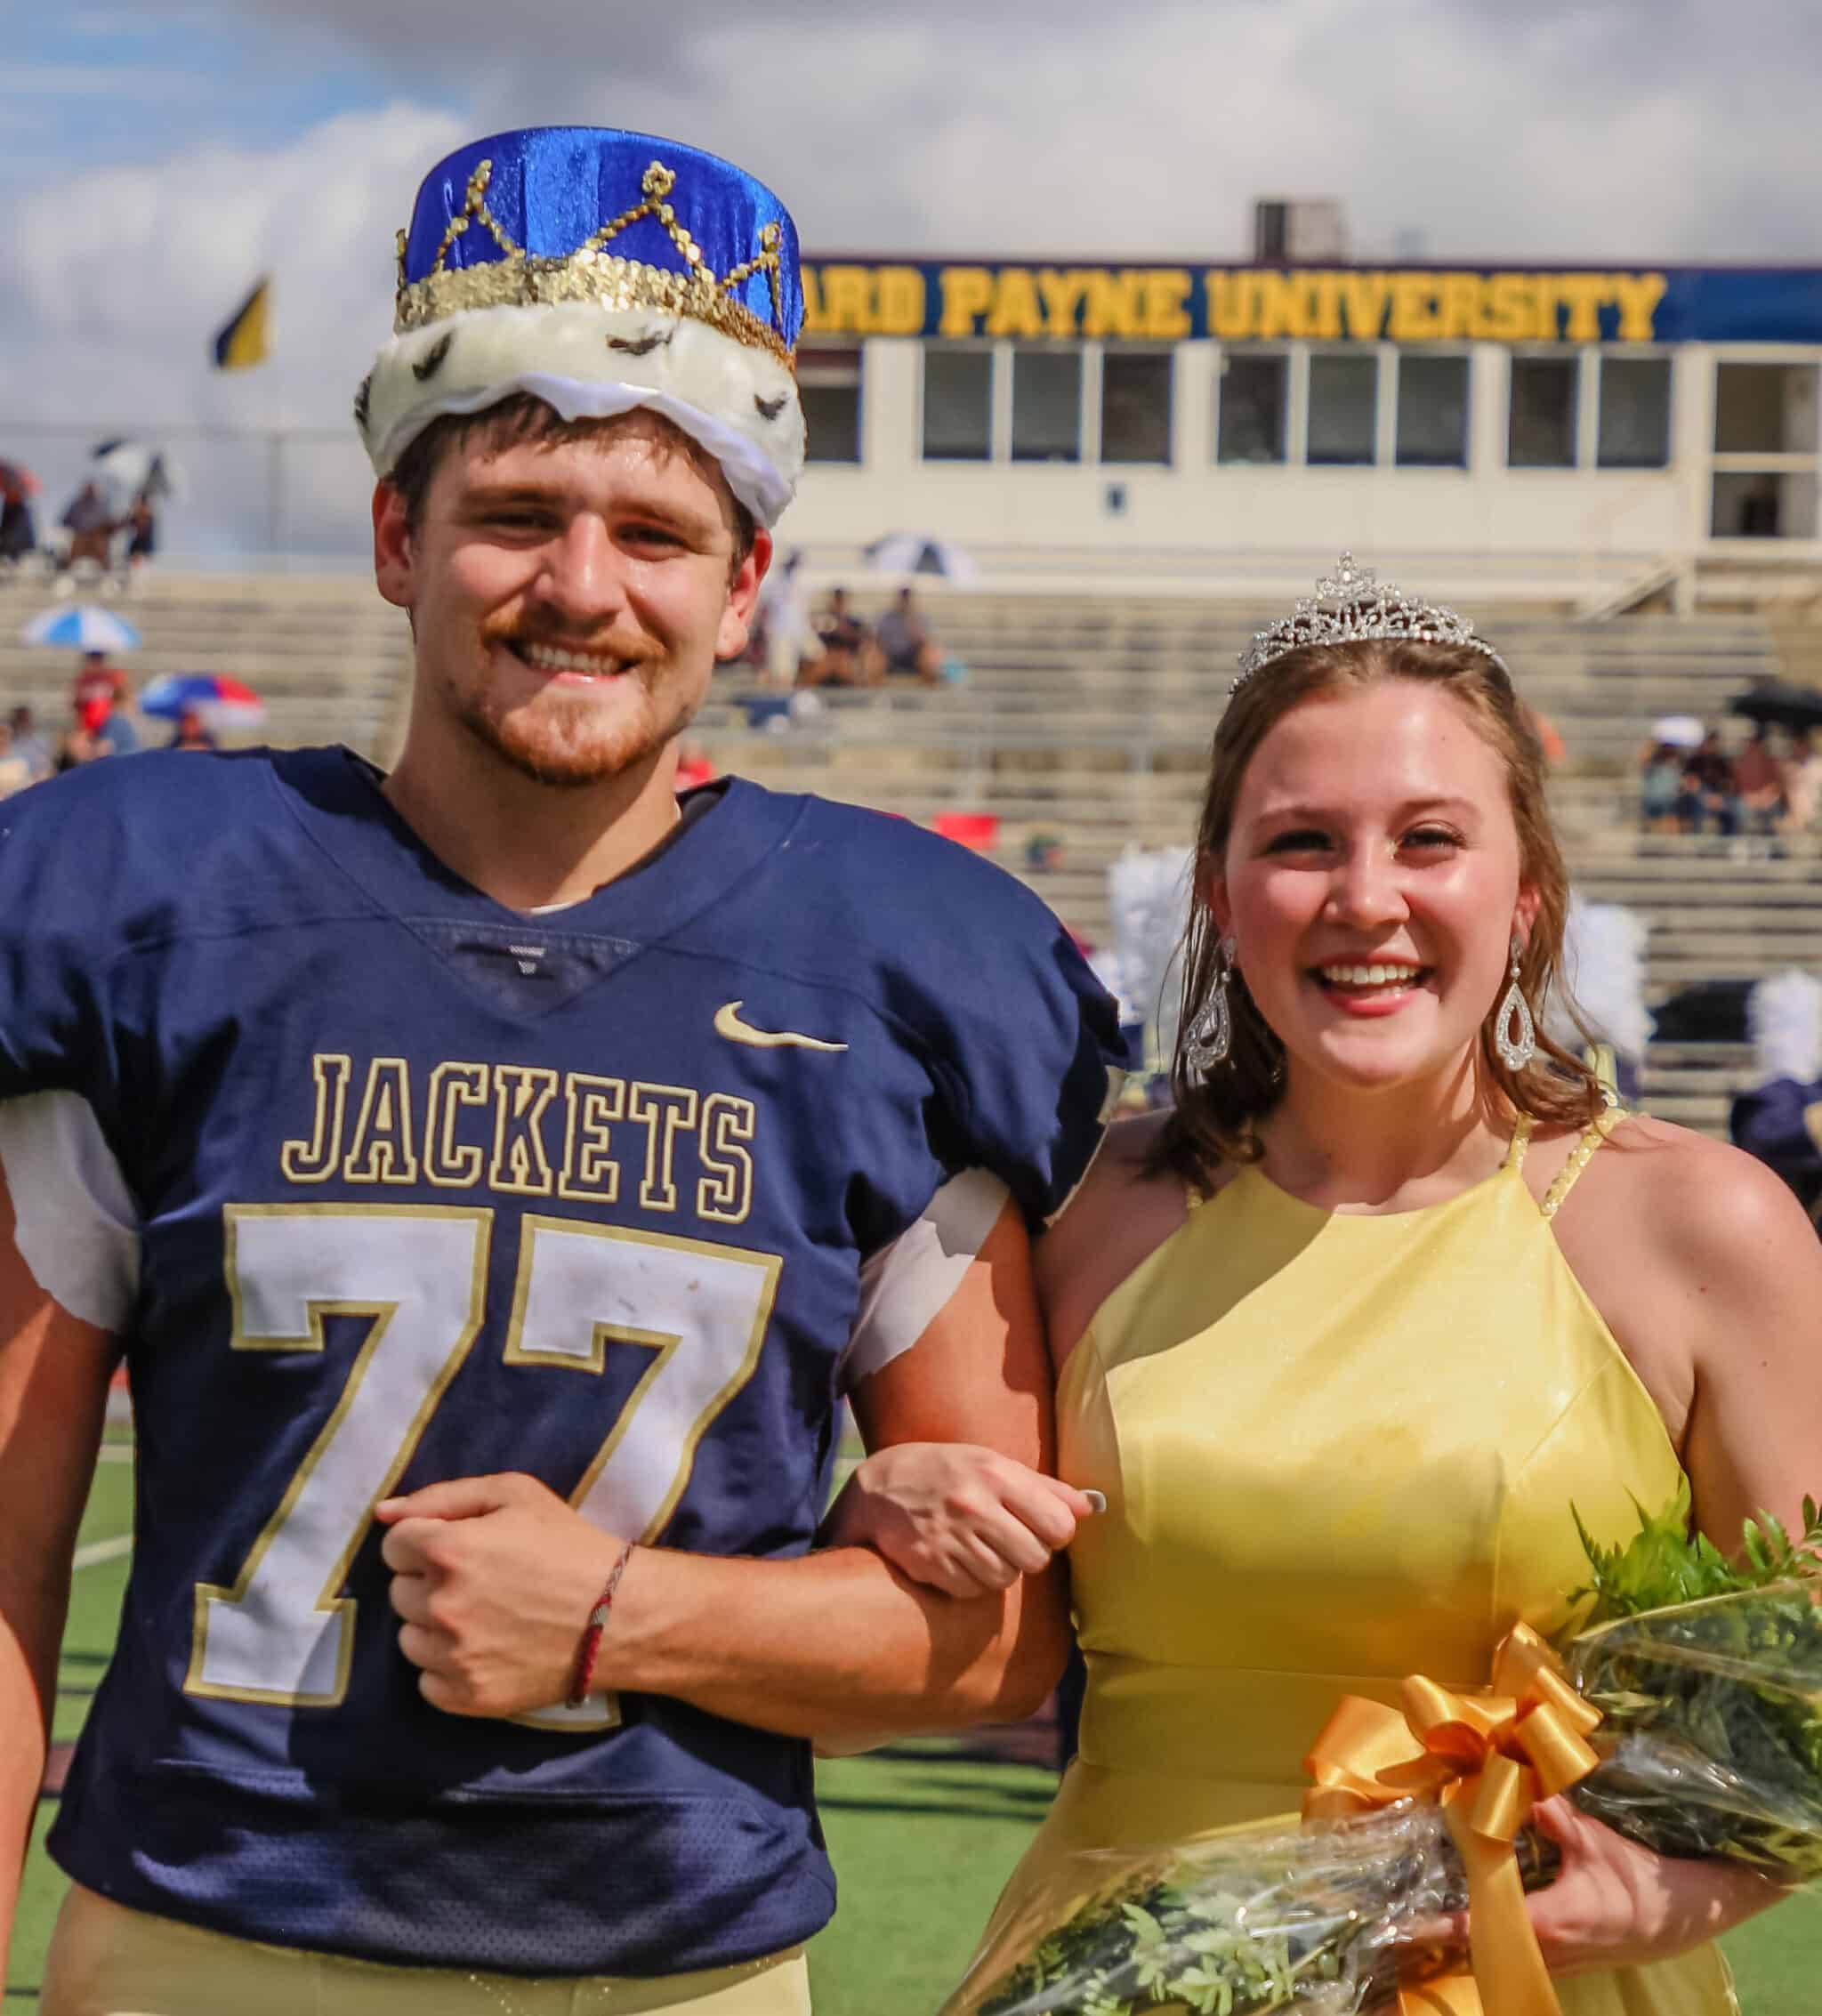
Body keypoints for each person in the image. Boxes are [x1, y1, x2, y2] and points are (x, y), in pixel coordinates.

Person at [0, 125, 1123, 2013]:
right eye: (517, 511)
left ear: (745, 581)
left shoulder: (895, 964)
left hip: (680, 1967)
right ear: (395, 537)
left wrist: (622, 1609)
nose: (579, 586)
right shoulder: (145, 908)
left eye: (657, 535)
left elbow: (991, 1644)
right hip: (210, 1943)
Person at [836, 557, 1821, 2012]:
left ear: (1528, 893)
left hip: (1524, 1971)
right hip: (1116, 1972)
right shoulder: (1079, 1214)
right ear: (1219, 899)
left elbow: (1798, 1667)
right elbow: (958, 1595)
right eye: (1301, 843)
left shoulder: (1699, 1226)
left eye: (1428, 839)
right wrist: (874, 1504)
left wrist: (1691, 1875)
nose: (1366, 900)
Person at [796, 585, 880, 688]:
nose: (839, 603)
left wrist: (841, 629)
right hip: (824, 661)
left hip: (848, 663)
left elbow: (864, 640)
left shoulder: (854, 621)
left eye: (842, 599)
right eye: (837, 599)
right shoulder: (824, 620)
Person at [875, 585, 943, 687]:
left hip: (913, 657)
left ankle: (931, 683)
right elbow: (877, 638)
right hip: (890, 656)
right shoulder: (885, 618)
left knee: (930, 652)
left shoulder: (921, 619)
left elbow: (925, 641)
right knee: (874, 653)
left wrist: (910, 621)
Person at [1732, 722, 1785, 836]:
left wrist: (1765, 797)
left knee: (1773, 814)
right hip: (1748, 801)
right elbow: (1739, 788)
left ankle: (1772, 847)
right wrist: (1753, 798)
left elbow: (1777, 785)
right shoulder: (1741, 762)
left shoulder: (1770, 761)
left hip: (1767, 801)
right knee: (1741, 809)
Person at [7, 707, 53, 786]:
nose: (22, 723)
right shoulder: (8, 742)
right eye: (19, 719)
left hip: (36, 784)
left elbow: (47, 767)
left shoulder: (40, 742)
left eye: (24, 719)